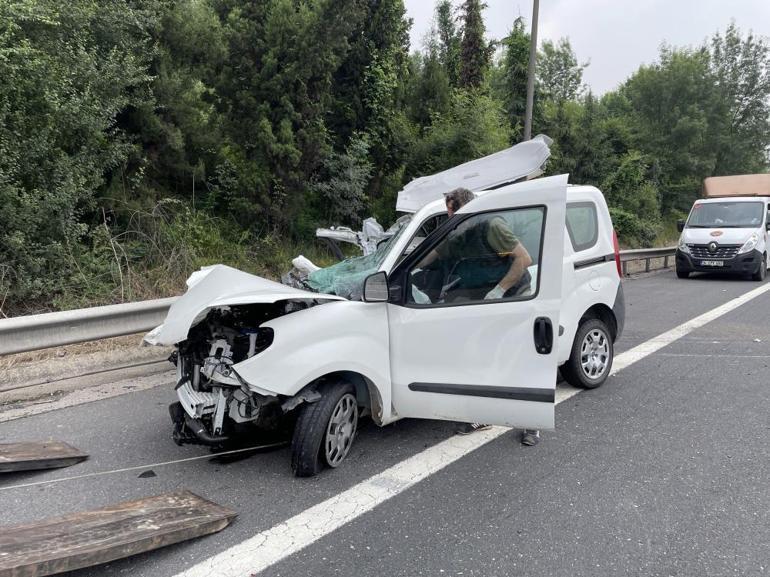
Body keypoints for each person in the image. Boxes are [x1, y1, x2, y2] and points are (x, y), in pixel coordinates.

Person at [436, 189, 540, 446]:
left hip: (515, 294)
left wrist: (499, 290)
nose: (449, 216)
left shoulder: (491, 225)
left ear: (466, 208)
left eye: (452, 210)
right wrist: (410, 266)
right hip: (486, 302)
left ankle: (532, 423)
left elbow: (523, 259)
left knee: (518, 359)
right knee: (485, 356)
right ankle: (485, 414)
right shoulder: (461, 230)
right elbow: (437, 254)